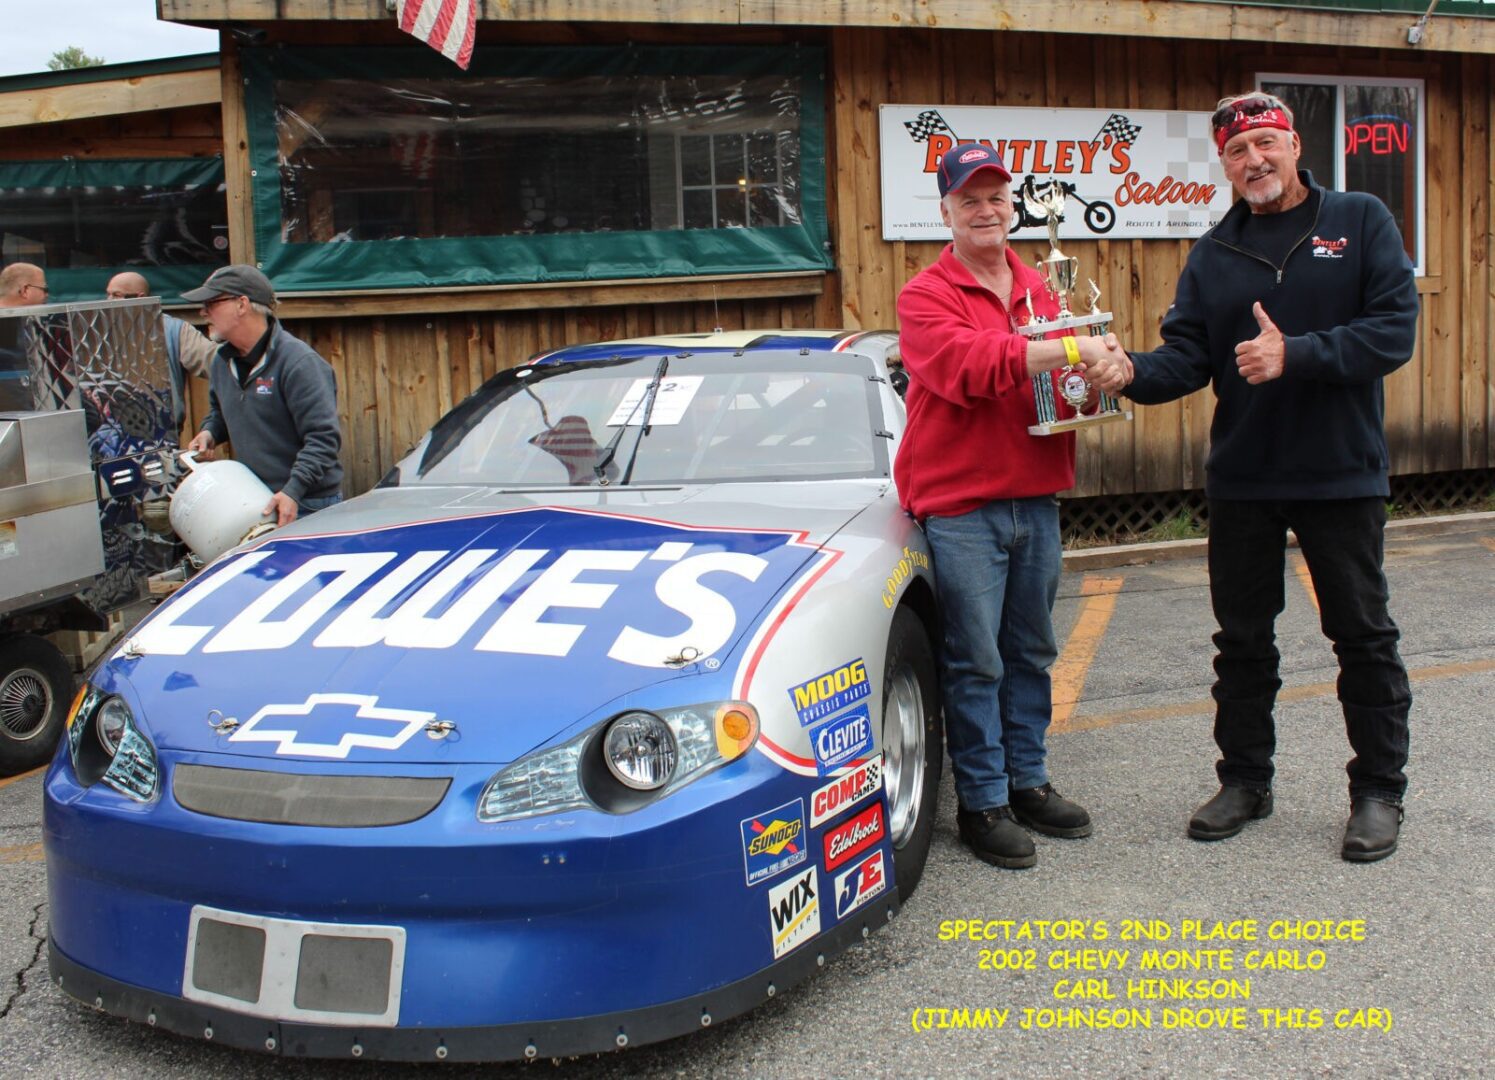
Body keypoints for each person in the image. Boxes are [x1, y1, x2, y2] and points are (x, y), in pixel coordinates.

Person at [1097, 92, 1419, 862]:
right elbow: (1186, 357)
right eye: (1238, 151)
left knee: (1362, 638)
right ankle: (1244, 779)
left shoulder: (1360, 219)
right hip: (1243, 478)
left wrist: (1295, 353)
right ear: (1224, 163)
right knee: (1241, 644)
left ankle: (1377, 792)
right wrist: (1127, 372)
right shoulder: (1214, 251)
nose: (1254, 161)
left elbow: (1392, 331)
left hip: (1340, 475)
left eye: (1266, 144)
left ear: (1294, 145)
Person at [896, 142, 1125, 870]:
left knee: (1030, 652)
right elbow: (968, 368)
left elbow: (1067, 384)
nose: (985, 209)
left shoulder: (1043, 287)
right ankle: (982, 802)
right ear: (946, 212)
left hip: (1037, 496)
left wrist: (1108, 369)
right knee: (975, 660)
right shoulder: (923, 295)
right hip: (962, 505)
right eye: (969, 199)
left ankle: (1027, 781)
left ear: (1012, 205)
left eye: (996, 196)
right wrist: (1069, 351)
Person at [183, 265, 344, 526]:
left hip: (307, 504)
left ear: (242, 304)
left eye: (211, 303)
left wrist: (293, 490)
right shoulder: (222, 361)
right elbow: (220, 413)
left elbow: (323, 441)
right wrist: (209, 432)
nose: (203, 312)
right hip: (254, 500)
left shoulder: (300, 363)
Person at [106, 271, 217, 434]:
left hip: (162, 435)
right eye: (107, 294)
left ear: (140, 298)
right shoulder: (98, 332)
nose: (108, 301)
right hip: (107, 435)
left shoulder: (173, 330)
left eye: (116, 295)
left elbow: (216, 363)